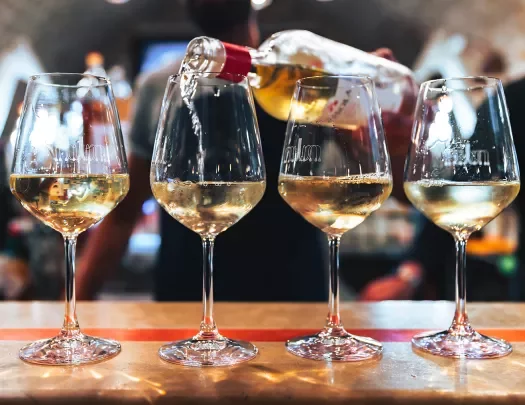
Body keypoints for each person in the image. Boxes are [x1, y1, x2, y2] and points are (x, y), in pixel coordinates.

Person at [76, 0, 404, 302]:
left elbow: (123, 214)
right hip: (224, 298)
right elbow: (122, 215)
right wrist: (74, 309)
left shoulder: (303, 77)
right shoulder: (163, 84)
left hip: (269, 296)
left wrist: (387, 140)